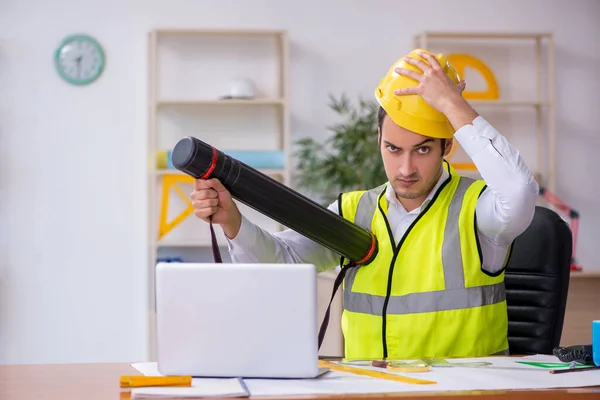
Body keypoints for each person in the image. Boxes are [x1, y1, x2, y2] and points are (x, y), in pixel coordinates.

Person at [189, 49, 539, 359]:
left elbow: (520, 192)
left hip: (466, 393)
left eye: (422, 149)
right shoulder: (354, 212)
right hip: (373, 389)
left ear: (448, 146)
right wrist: (232, 222)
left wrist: (452, 105)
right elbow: (284, 261)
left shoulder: (479, 212)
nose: (405, 169)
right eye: (393, 148)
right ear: (378, 139)